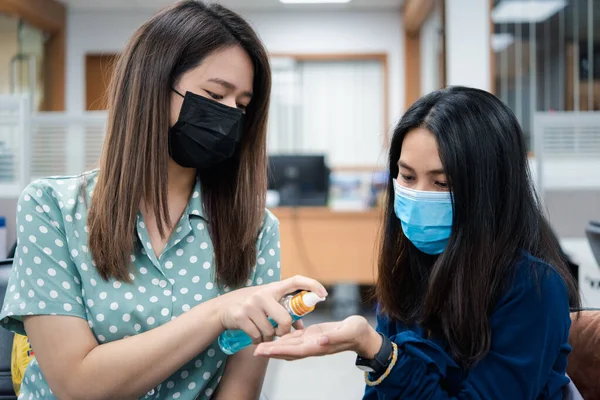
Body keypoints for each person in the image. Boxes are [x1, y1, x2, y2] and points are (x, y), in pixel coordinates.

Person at [0, 2, 327, 399]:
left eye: (241, 106)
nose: (229, 117)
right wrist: (216, 313)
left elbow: (239, 389)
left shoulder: (254, 229)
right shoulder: (52, 209)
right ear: (152, 86)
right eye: (214, 94)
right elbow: (75, 384)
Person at [255, 86, 581, 399]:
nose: (420, 194)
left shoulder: (533, 289)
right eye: (408, 177)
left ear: (489, 190)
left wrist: (378, 352)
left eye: (442, 182)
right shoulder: (408, 272)